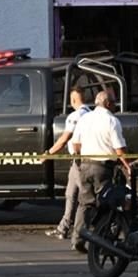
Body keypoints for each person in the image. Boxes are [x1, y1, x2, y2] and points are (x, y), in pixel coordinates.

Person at [69, 91, 129, 254]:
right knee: (106, 203)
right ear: (108, 104)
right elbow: (119, 150)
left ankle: (77, 239)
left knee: (84, 203)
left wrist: (80, 158)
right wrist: (128, 167)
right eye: (115, 102)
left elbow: (75, 144)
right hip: (102, 168)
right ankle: (103, 241)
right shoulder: (112, 121)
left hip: (84, 165)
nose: (116, 105)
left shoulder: (84, 118)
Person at [44, 87, 90, 240]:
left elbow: (64, 139)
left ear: (73, 100)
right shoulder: (90, 113)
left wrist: (48, 153)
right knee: (70, 194)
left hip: (79, 161)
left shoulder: (74, 116)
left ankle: (83, 231)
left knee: (84, 197)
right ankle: (63, 228)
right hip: (84, 160)